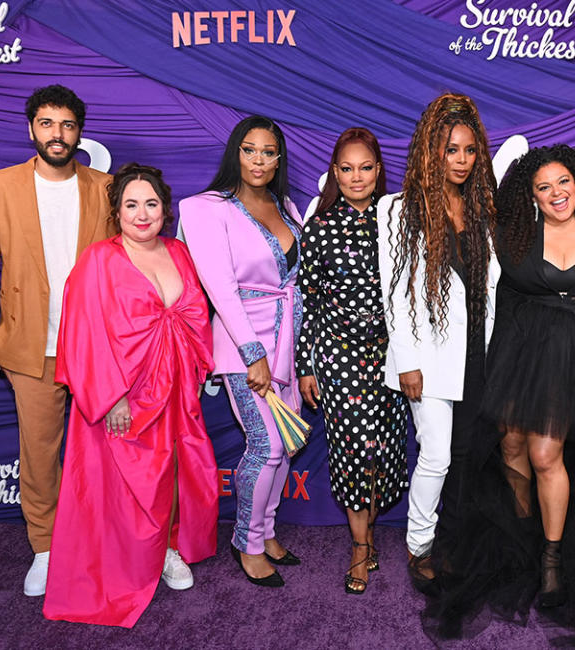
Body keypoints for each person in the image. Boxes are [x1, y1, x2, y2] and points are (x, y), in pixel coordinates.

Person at [426, 144, 575, 644]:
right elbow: (497, 296)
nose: (556, 193)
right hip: (524, 354)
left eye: (563, 182)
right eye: (544, 187)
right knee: (513, 448)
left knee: (543, 453)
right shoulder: (512, 236)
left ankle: (552, 556)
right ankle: (525, 534)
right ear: (531, 197)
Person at [42, 163, 219, 627]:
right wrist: (111, 396)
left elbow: (195, 314)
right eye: (131, 205)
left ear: (166, 208)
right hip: (123, 401)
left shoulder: (180, 253)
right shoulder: (98, 260)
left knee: (173, 477)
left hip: (176, 391)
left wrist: (195, 372)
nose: (143, 215)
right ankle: (130, 564)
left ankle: (167, 551)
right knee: (123, 487)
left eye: (152, 204)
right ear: (116, 211)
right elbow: (82, 335)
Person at [0, 84, 113, 597]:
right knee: (38, 456)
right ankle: (46, 548)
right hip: (31, 349)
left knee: (116, 452)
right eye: (48, 123)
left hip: (97, 349)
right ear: (32, 127)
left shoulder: (105, 187)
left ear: (79, 131)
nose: (58, 134)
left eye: (68, 125)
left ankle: (123, 541)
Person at [377, 93, 499, 586]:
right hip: (426, 357)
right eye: (451, 150)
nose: (462, 160)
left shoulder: (481, 207)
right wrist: (406, 359)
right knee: (437, 454)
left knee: (469, 453)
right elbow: (394, 293)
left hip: (476, 352)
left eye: (469, 150)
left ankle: (455, 536)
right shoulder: (398, 209)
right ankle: (418, 544)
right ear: (431, 150)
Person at [180, 116, 304, 588]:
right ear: (236, 152)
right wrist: (254, 355)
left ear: (278, 159)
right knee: (267, 445)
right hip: (242, 347)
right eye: (250, 150)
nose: (259, 160)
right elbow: (221, 288)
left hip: (288, 343)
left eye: (269, 152)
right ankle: (247, 542)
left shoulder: (284, 204)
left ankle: (268, 532)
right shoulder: (207, 208)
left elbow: (293, 285)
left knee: (286, 448)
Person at [296, 128, 409, 594]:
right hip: (339, 357)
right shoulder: (320, 229)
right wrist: (306, 364)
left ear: (378, 170)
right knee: (352, 452)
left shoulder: (399, 221)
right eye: (346, 168)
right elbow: (309, 301)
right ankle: (361, 547)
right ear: (334, 172)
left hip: (393, 356)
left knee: (384, 450)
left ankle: (371, 534)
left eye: (365, 168)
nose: (356, 177)